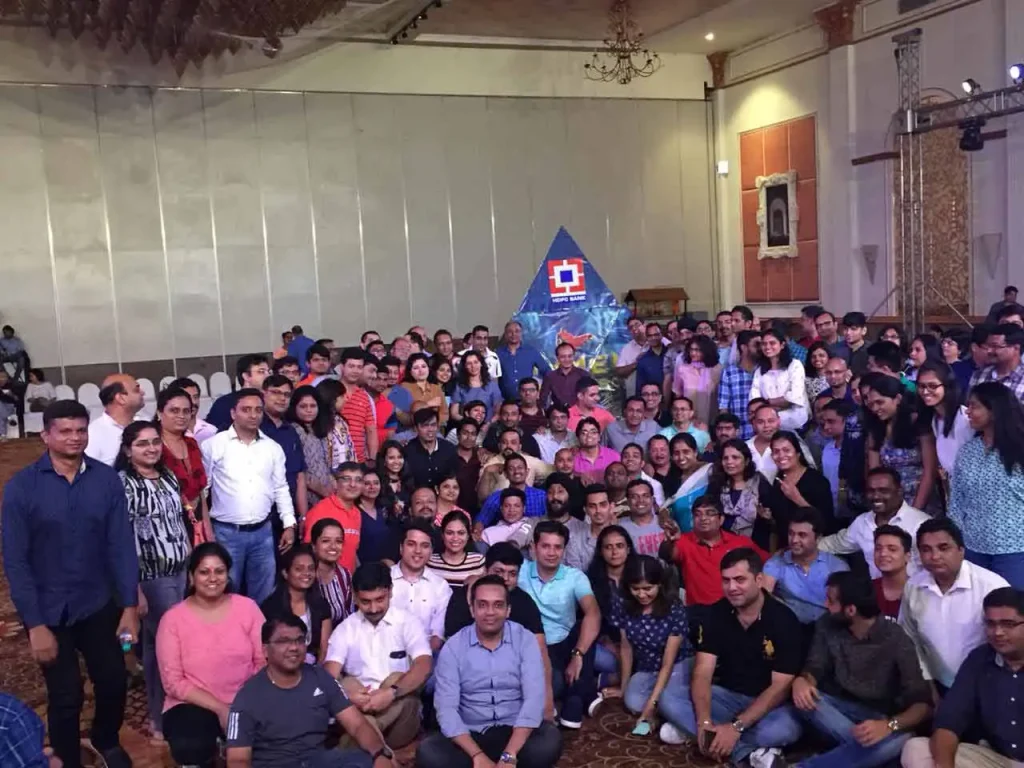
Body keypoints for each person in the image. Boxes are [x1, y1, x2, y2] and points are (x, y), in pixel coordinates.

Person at [2, 400, 139, 768]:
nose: (74, 438)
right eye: (65, 431)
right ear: (46, 435)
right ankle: (65, 758)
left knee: (112, 680)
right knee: (66, 696)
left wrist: (128, 606)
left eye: (81, 430)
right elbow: (16, 562)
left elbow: (121, 543)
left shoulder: (105, 479)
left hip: (98, 603)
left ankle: (105, 739)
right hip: (49, 611)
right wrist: (35, 626)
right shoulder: (22, 489)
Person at [660, 548, 803, 763]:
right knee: (668, 698)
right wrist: (704, 722)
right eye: (726, 581)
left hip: (769, 704)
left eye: (739, 580)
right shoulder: (715, 613)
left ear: (759, 579)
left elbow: (779, 689)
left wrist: (737, 727)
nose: (732, 588)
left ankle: (707, 739)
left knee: (785, 729)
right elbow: (703, 672)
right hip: (727, 696)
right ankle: (745, 751)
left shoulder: (784, 620)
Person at [418, 575, 563, 768]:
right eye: (483, 605)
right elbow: (446, 709)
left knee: (550, 740)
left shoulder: (525, 640)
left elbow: (533, 701)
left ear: (508, 610)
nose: (490, 612)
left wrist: (509, 755)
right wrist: (477, 755)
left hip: (516, 732)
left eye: (498, 605)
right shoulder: (453, 647)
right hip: (471, 735)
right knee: (429, 752)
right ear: (472, 609)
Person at [792, 572, 932, 768]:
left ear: (850, 610)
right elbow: (816, 665)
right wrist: (802, 681)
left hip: (880, 717)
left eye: (831, 601)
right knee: (802, 699)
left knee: (901, 740)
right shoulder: (827, 623)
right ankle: (867, 755)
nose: (825, 605)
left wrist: (888, 726)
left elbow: (922, 705)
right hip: (837, 707)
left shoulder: (896, 639)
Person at [225, 614, 394, 768]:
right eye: (284, 641)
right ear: (265, 650)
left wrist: (379, 754)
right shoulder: (247, 696)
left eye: (299, 640)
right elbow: (237, 760)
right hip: (276, 764)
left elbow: (357, 725)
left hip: (318, 761)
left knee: (365, 762)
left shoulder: (320, 677)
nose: (294, 647)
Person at [157, 543, 265, 767]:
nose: (212, 578)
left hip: (247, 698)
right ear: (191, 577)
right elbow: (173, 683)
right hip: (193, 704)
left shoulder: (248, 608)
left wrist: (241, 704)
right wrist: (221, 709)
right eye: (204, 572)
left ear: (228, 574)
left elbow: (264, 661)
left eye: (219, 571)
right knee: (190, 743)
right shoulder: (173, 619)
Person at [116, 420, 191, 739]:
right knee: (171, 648)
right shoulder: (123, 484)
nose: (151, 448)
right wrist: (133, 591)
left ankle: (160, 716)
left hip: (180, 569)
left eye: (155, 442)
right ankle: (168, 718)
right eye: (142, 444)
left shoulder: (169, 476)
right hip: (151, 576)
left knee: (154, 646)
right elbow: (120, 538)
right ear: (127, 450)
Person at [900, 586, 1024, 768]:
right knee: (917, 749)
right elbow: (948, 722)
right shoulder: (980, 659)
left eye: (1008, 624)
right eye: (991, 624)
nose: (997, 632)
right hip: (998, 759)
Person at [201, 388, 296, 604]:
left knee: (264, 597)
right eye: (246, 410)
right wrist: (206, 531)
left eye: (258, 410)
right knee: (224, 595)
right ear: (234, 413)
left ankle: (259, 637)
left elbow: (281, 488)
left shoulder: (272, 448)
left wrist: (289, 524)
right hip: (226, 533)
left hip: (263, 532)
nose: (253, 415)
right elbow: (202, 491)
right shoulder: (213, 445)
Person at [324, 562, 433, 750]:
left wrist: (390, 693)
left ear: (390, 591)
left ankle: (357, 743)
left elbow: (424, 665)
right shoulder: (345, 629)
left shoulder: (408, 622)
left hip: (401, 715)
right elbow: (328, 676)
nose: (374, 608)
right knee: (347, 683)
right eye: (366, 601)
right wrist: (349, 695)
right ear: (355, 598)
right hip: (358, 709)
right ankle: (385, 756)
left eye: (380, 599)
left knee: (397, 678)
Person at [442, 543, 554, 722]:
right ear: (486, 571)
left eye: (512, 574)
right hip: (468, 675)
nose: (505, 579)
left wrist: (547, 703)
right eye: (499, 571)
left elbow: (540, 651)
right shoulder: (461, 598)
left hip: (511, 676)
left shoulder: (524, 602)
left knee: (556, 683)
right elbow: (451, 651)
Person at [899, 518, 1009, 692]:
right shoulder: (913, 587)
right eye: (926, 550)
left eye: (944, 548)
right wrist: (929, 686)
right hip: (938, 685)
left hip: (989, 686)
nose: (935, 556)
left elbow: (1012, 646)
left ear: (961, 551)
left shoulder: (992, 587)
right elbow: (910, 639)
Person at [519, 520, 601, 729]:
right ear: (534, 548)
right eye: (545, 546)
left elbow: (593, 612)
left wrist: (578, 655)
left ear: (564, 550)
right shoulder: (519, 572)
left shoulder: (574, 576)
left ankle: (575, 698)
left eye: (558, 547)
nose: (552, 552)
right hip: (534, 648)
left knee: (586, 625)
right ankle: (586, 691)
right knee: (554, 684)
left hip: (566, 645)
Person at [949, 382, 1024, 586]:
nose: (968, 412)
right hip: (974, 548)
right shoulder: (967, 452)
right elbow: (956, 500)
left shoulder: (1019, 450)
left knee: (1014, 610)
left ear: (994, 410)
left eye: (974, 406)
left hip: (1015, 549)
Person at [606, 558, 692, 730]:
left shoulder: (673, 607)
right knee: (632, 703)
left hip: (676, 663)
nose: (642, 595)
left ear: (659, 585)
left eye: (648, 588)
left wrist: (649, 708)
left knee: (667, 699)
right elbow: (626, 648)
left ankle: (670, 715)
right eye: (635, 589)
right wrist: (624, 688)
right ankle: (667, 715)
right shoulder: (623, 603)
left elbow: (668, 663)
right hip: (647, 666)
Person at [658, 495, 767, 625]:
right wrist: (669, 541)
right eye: (698, 514)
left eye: (710, 513)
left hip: (736, 611)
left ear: (721, 519)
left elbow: (768, 564)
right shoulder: (684, 541)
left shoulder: (740, 543)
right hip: (699, 614)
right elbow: (665, 554)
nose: (703, 518)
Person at [820, 467, 930, 579]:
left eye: (883, 491)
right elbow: (834, 544)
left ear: (899, 491)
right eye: (871, 491)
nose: (876, 496)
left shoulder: (921, 524)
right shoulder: (862, 522)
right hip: (878, 592)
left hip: (917, 594)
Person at [863, 373, 941, 515]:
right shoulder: (875, 429)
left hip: (922, 499)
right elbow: (874, 472)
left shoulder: (918, 423)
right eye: (871, 404)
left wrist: (914, 512)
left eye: (880, 402)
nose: (874, 409)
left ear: (897, 399)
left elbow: (930, 471)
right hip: (890, 501)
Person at [762, 507, 849, 628]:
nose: (794, 540)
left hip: (828, 629)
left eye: (802, 535)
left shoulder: (836, 566)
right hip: (790, 627)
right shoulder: (776, 563)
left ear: (818, 538)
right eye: (791, 533)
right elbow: (763, 596)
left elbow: (844, 608)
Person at [259, 544, 332, 665]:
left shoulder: (321, 605)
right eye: (299, 569)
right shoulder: (270, 607)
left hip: (313, 670)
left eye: (310, 568)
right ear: (285, 573)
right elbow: (268, 650)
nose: (306, 573)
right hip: (280, 668)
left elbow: (324, 650)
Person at [585, 525, 635, 697]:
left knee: (643, 659)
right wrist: (607, 642)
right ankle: (621, 677)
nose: (614, 552)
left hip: (640, 641)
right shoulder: (591, 579)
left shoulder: (641, 574)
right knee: (589, 654)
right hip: (606, 643)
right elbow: (589, 619)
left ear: (628, 549)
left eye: (619, 546)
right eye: (608, 547)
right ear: (601, 551)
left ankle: (611, 679)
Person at [158, 385, 210, 545]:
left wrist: (208, 531)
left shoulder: (192, 444)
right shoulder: (153, 447)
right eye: (174, 411)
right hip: (166, 526)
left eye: (186, 411)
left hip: (196, 520)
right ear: (160, 413)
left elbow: (201, 493)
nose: (181, 416)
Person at [390, 519, 452, 652]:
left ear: (431, 551)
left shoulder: (440, 586)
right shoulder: (384, 579)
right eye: (411, 544)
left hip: (425, 658)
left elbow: (437, 635)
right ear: (401, 548)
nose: (418, 551)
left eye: (424, 546)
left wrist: (420, 661)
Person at [766, 430, 837, 538]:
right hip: (786, 548)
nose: (781, 455)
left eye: (786, 450)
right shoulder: (777, 481)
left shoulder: (817, 481)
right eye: (776, 451)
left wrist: (797, 498)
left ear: (798, 453)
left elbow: (826, 524)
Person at [260, 374, 309, 524]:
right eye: (276, 393)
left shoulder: (291, 431)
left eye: (287, 395)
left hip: (289, 513)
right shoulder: (254, 428)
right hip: (261, 514)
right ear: (263, 394)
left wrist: (303, 516)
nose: (282, 398)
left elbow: (300, 477)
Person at [709, 437, 773, 547]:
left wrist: (765, 517)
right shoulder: (717, 484)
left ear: (747, 461)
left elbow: (772, 519)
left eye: (735, 457)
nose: (729, 462)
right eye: (726, 458)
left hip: (754, 546)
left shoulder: (759, 482)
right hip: (722, 545)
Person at [303, 462, 363, 571]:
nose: (353, 484)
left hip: (346, 582)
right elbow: (308, 553)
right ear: (336, 483)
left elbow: (352, 553)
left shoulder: (357, 513)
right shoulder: (321, 510)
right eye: (346, 479)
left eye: (358, 480)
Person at [285, 385, 336, 510]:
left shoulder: (319, 430)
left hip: (326, 494)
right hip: (306, 496)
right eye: (303, 406)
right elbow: (299, 471)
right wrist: (322, 490)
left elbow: (325, 464)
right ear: (294, 408)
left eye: (313, 406)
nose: (309, 410)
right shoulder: (294, 431)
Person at [750, 328, 809, 432]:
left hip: (794, 422)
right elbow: (755, 400)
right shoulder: (759, 370)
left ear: (782, 345)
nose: (767, 347)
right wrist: (773, 405)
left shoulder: (795, 365)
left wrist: (767, 403)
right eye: (764, 344)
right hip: (767, 425)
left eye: (772, 343)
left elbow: (794, 397)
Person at [85, 373, 144, 465]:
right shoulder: (93, 434)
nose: (143, 392)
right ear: (121, 398)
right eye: (136, 390)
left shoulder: (145, 422)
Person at [660, 432, 712, 533]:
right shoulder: (671, 480)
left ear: (695, 452)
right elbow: (666, 507)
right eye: (676, 453)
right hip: (683, 537)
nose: (681, 457)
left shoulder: (709, 472)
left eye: (686, 452)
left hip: (709, 533)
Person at [477, 453, 546, 526]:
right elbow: (480, 521)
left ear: (527, 472)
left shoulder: (541, 496)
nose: (516, 472)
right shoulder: (496, 498)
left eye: (520, 468)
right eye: (511, 469)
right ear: (505, 474)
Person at [207, 354, 271, 431]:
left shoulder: (270, 401)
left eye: (268, 372)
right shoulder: (224, 403)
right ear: (246, 376)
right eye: (261, 371)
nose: (268, 375)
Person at [337, 348, 379, 463]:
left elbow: (371, 430)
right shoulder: (332, 391)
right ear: (342, 367)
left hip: (359, 461)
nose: (355, 371)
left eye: (359, 367)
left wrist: (372, 459)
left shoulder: (365, 397)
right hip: (335, 460)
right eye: (351, 366)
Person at [718, 329, 762, 439]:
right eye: (756, 345)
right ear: (744, 347)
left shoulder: (764, 371)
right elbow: (723, 407)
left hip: (762, 434)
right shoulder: (729, 372)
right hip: (738, 435)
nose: (761, 348)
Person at [563, 484, 618, 571]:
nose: (598, 511)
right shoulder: (575, 541)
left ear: (611, 506)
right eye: (592, 506)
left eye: (602, 505)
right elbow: (576, 577)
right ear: (585, 510)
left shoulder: (623, 536)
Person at [310, 517, 354, 624]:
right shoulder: (305, 576)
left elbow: (348, 618)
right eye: (326, 541)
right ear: (314, 546)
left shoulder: (345, 575)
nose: (333, 546)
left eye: (338, 541)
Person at [672, 334, 723, 427]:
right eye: (691, 349)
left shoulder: (717, 369)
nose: (693, 353)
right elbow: (677, 394)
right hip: (688, 421)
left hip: (712, 420)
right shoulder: (682, 369)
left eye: (697, 350)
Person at [968, 323, 1024, 403]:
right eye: (988, 346)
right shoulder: (979, 375)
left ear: (1016, 348)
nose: (989, 351)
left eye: (995, 346)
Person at [495, 320, 549, 399]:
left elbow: (547, 371)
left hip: (528, 400)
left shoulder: (531, 351)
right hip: (506, 402)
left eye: (517, 331)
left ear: (521, 333)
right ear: (505, 334)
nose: (513, 334)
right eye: (510, 332)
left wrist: (542, 390)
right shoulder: (498, 353)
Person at [428, 511, 484, 587]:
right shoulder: (430, 561)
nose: (455, 538)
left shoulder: (478, 561)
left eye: (461, 533)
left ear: (468, 535)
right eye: (449, 533)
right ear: (442, 535)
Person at [619, 478, 667, 556]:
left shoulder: (666, 523)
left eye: (646, 496)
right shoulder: (619, 527)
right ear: (627, 501)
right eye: (634, 497)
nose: (641, 500)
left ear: (652, 499)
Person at [450, 349, 502, 422]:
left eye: (476, 362)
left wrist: (487, 425)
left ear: (481, 363)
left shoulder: (492, 385)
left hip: (488, 426)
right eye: (469, 363)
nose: (473, 366)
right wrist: (468, 423)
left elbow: (498, 413)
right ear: (464, 366)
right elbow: (454, 413)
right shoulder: (460, 386)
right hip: (467, 426)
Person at [873, 524, 912, 619]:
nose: (883, 554)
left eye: (892, 549)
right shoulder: (865, 590)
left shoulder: (920, 591)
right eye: (878, 549)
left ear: (907, 556)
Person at [401, 351, 447, 427]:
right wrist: (428, 404)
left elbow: (444, 413)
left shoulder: (436, 388)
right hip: (411, 430)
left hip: (434, 429)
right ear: (410, 372)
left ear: (428, 368)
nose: (421, 370)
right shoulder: (404, 387)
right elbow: (403, 415)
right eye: (416, 368)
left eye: (423, 366)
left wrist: (434, 426)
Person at [572, 416, 620, 483]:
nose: (589, 435)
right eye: (584, 433)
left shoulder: (614, 456)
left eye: (593, 432)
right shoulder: (573, 459)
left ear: (599, 437)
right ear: (578, 437)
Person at [540, 341, 586, 409]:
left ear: (574, 356)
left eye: (570, 356)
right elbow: (543, 399)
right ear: (557, 358)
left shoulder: (583, 375)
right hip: (558, 415)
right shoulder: (550, 376)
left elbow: (589, 398)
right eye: (563, 357)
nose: (567, 359)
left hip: (580, 414)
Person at [951, 324, 991, 395]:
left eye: (997, 346)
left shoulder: (1000, 371)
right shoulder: (956, 370)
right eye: (989, 347)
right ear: (974, 347)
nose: (993, 351)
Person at [615, 316, 649, 398]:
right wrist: (636, 364)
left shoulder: (657, 341)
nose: (634, 328)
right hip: (634, 395)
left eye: (637, 325)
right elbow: (619, 372)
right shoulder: (627, 348)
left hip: (654, 395)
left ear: (645, 325)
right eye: (630, 327)